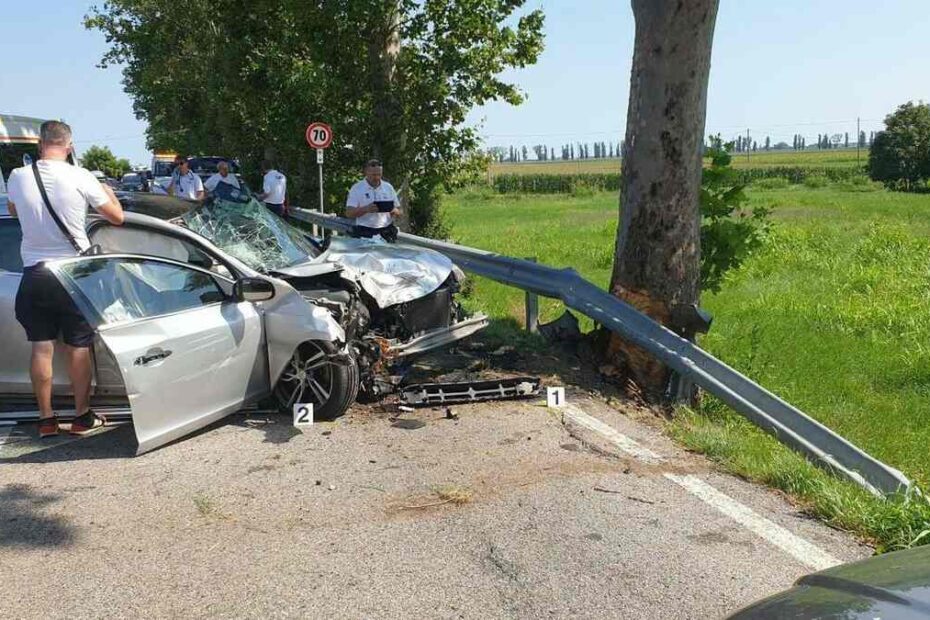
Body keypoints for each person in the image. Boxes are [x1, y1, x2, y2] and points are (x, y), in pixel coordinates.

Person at [5, 120, 124, 438]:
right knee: (78, 347)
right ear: (69, 147)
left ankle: (46, 420)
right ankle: (82, 416)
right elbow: (117, 217)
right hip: (73, 273)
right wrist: (109, 194)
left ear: (40, 144)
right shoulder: (80, 176)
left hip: (35, 273)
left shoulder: (18, 176)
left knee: (41, 348)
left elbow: (14, 211)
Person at [345, 159, 402, 232]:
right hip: (364, 230)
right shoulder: (357, 188)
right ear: (366, 172)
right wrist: (365, 209)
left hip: (386, 230)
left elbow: (399, 210)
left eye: (379, 174)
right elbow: (349, 213)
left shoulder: (388, 187)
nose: (377, 178)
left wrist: (396, 212)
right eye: (374, 175)